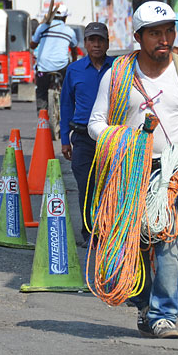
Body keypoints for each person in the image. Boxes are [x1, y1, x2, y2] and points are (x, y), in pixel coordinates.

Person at [89, 1, 178, 339]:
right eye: (155, 33)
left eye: (169, 31)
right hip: (128, 172)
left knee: (168, 240)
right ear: (139, 37)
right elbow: (95, 123)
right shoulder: (117, 75)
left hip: (173, 172)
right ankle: (143, 302)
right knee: (128, 245)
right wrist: (126, 136)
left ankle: (163, 314)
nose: (164, 39)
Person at [60, 22, 113, 246]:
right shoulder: (74, 70)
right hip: (82, 139)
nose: (97, 44)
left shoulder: (118, 67)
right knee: (86, 186)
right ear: (85, 44)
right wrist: (65, 140)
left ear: (108, 43)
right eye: (92, 40)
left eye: (100, 40)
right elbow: (66, 106)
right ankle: (90, 233)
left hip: (112, 138)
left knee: (112, 187)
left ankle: (111, 231)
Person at [30, 3, 77, 112]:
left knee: (41, 90)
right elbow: (74, 50)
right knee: (67, 89)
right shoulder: (69, 31)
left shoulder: (42, 27)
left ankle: (42, 115)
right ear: (65, 18)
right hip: (62, 67)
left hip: (43, 68)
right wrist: (74, 63)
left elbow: (32, 45)